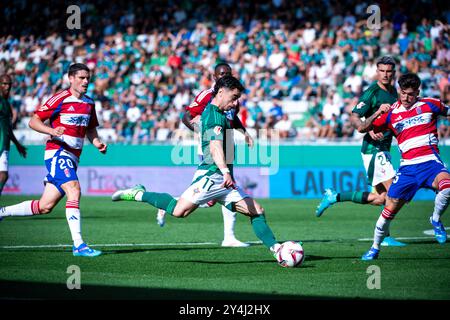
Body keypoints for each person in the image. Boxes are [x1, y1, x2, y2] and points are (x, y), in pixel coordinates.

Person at [112, 75, 283, 259]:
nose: (235, 104)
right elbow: (215, 146)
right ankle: (139, 193)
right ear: (220, 92)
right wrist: (225, 171)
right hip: (212, 175)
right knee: (179, 211)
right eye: (234, 98)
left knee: (257, 211)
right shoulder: (214, 116)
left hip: (224, 181)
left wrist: (242, 134)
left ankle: (277, 250)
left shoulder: (220, 113)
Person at [0, 63, 107, 257]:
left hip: (74, 157)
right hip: (57, 153)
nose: (85, 81)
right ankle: (79, 245)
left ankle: (2, 212)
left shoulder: (89, 103)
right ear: (71, 78)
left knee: (44, 206)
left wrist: (97, 142)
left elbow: (90, 129)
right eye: (82, 78)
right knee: (74, 189)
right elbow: (34, 121)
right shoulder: (60, 98)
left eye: (88, 78)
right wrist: (51, 131)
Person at [157, 63, 253, 248]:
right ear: (214, 76)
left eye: (228, 74)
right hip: (212, 146)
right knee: (225, 189)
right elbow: (186, 117)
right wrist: (202, 133)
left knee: (219, 193)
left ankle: (228, 237)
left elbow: (233, 119)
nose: (224, 76)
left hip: (228, 144)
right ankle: (228, 236)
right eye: (221, 74)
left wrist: (245, 132)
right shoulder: (206, 95)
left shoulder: (233, 97)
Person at [315, 56, 406, 247]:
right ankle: (384, 236)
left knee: (381, 198)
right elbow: (357, 122)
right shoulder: (371, 93)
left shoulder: (394, 93)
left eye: (389, 71)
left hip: (384, 149)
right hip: (373, 151)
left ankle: (334, 196)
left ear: (394, 72)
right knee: (395, 195)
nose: (385, 74)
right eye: (382, 71)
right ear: (377, 71)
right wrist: (374, 116)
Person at [359, 73, 449, 260]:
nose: (407, 98)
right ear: (399, 91)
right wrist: (377, 114)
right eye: (403, 93)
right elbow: (363, 127)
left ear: (418, 92)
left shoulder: (430, 104)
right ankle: (375, 248)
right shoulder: (391, 112)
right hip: (408, 168)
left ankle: (435, 219)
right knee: (389, 207)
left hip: (431, 163)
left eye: (411, 94)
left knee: (447, 187)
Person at [0, 74, 27, 197]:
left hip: (4, 144)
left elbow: (9, 129)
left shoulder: (7, 104)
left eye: (9, 84)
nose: (7, 86)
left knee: (4, 176)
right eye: (4, 83)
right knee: (3, 175)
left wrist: (18, 145)